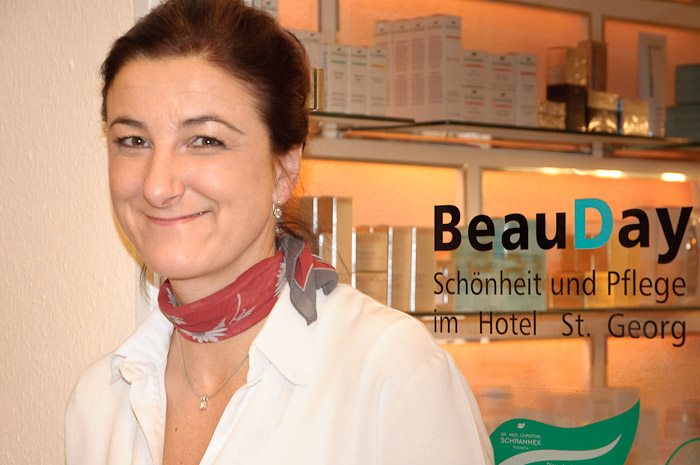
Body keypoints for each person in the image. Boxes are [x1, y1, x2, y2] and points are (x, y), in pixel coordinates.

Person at [65, 0, 494, 464]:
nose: (157, 185)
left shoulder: (393, 373)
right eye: (133, 140)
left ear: (284, 169)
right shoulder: (99, 400)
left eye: (205, 140)